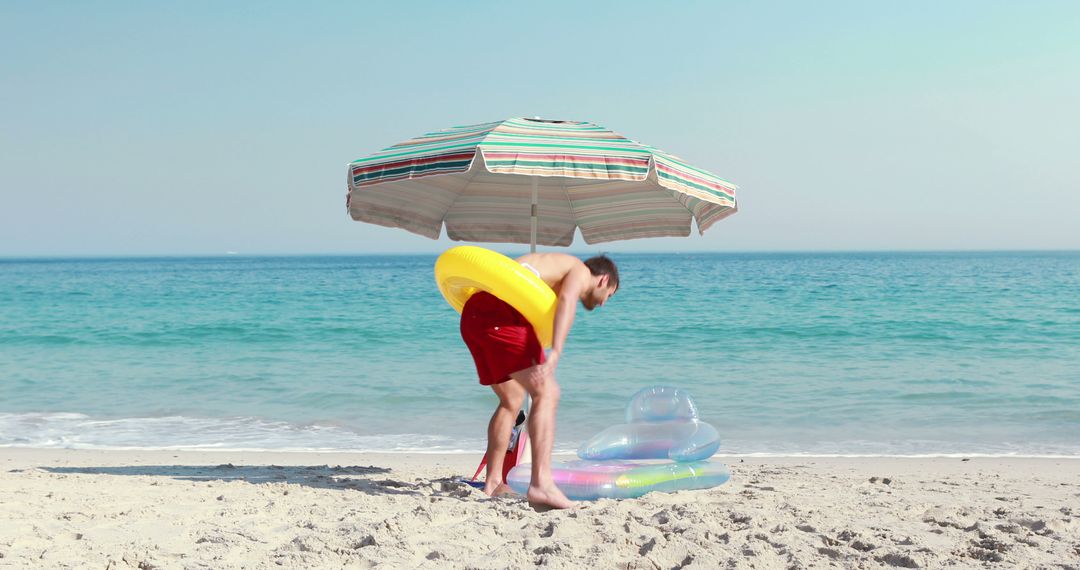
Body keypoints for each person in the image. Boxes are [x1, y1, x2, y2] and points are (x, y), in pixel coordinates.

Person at [460, 253, 619, 510]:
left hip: (474, 315)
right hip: (503, 316)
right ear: (603, 280)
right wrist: (556, 350)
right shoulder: (579, 269)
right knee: (548, 393)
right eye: (609, 296)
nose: (603, 304)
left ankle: (492, 482)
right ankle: (541, 483)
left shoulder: (546, 264)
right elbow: (567, 299)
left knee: (511, 400)